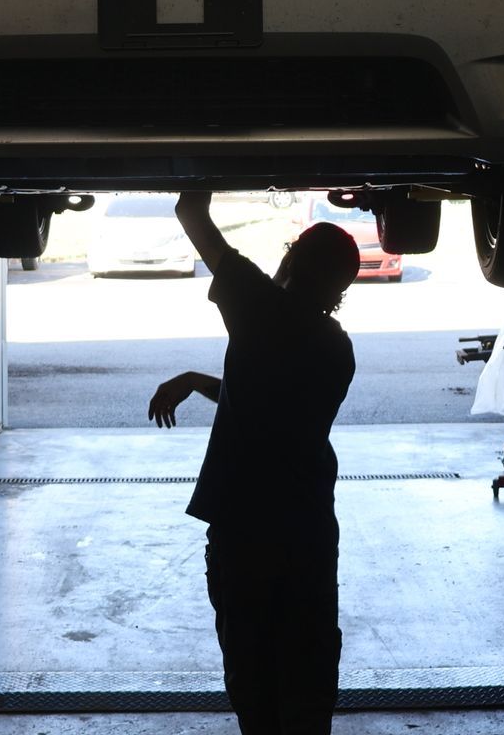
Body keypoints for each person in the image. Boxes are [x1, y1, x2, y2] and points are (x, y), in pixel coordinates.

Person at [147, 191, 359, 735]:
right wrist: (199, 382)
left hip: (244, 527)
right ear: (340, 288)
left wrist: (213, 148)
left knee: (252, 667)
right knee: (309, 668)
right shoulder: (337, 348)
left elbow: (189, 213)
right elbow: (266, 392)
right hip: (307, 528)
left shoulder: (257, 303)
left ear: (290, 260)